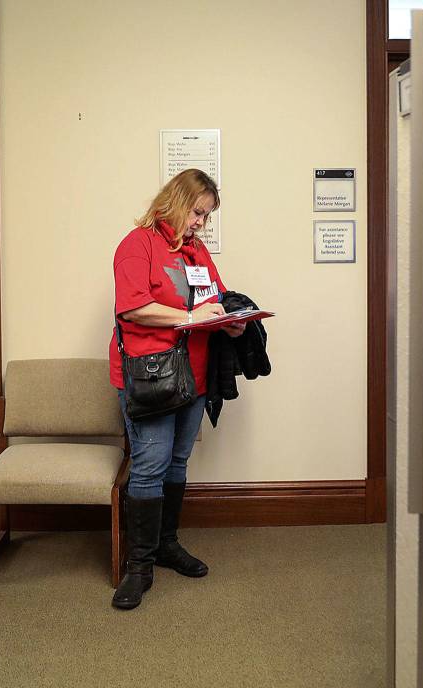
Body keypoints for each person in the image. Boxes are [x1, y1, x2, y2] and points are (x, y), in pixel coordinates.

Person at [108, 168, 244, 610]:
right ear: (176, 201)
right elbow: (133, 309)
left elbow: (214, 301)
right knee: (149, 465)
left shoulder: (197, 253)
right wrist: (189, 319)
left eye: (206, 216)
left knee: (178, 462)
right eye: (198, 213)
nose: (200, 223)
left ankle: (166, 545)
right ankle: (139, 566)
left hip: (194, 376)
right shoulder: (138, 244)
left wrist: (234, 321)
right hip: (149, 377)